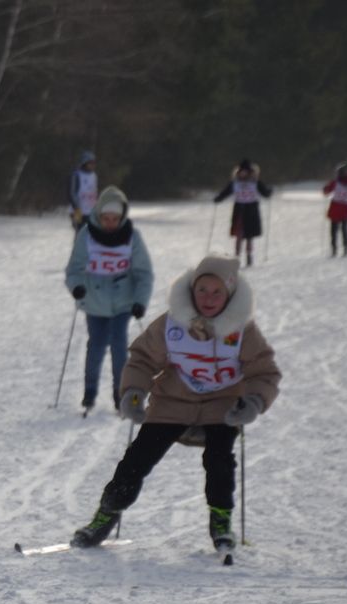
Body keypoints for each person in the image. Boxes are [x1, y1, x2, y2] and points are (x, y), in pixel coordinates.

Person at [71, 255, 280, 552]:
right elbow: (142, 359)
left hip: (222, 406)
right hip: (172, 402)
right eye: (202, 290)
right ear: (192, 290)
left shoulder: (242, 330)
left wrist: (254, 400)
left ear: (229, 294)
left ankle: (221, 522)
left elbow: (263, 370)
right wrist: (133, 392)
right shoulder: (172, 324)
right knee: (137, 459)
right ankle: (105, 515)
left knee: (220, 462)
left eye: (216, 292)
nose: (208, 298)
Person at [64, 185, 153, 413]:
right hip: (94, 301)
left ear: (122, 216)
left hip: (123, 302)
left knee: (119, 346)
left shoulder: (132, 237)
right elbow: (74, 269)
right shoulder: (87, 234)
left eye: (115, 218)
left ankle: (119, 393)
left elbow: (143, 273)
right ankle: (90, 392)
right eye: (106, 218)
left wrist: (140, 302)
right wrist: (77, 288)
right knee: (95, 346)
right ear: (99, 215)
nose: (111, 223)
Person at [214, 158, 273, 266]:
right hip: (239, 211)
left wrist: (269, 192)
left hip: (251, 211)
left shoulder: (255, 182)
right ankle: (236, 257)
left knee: (249, 236)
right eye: (241, 171)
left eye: (245, 171)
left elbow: (264, 193)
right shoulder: (235, 183)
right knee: (239, 235)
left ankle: (249, 257)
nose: (243, 173)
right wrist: (219, 198)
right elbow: (225, 193)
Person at [69, 151, 99, 231]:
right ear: (84, 163)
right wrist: (77, 208)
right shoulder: (77, 175)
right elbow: (72, 193)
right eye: (90, 163)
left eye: (94, 163)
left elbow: (94, 192)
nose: (93, 165)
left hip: (90, 211)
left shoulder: (94, 175)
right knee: (80, 233)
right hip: (78, 211)